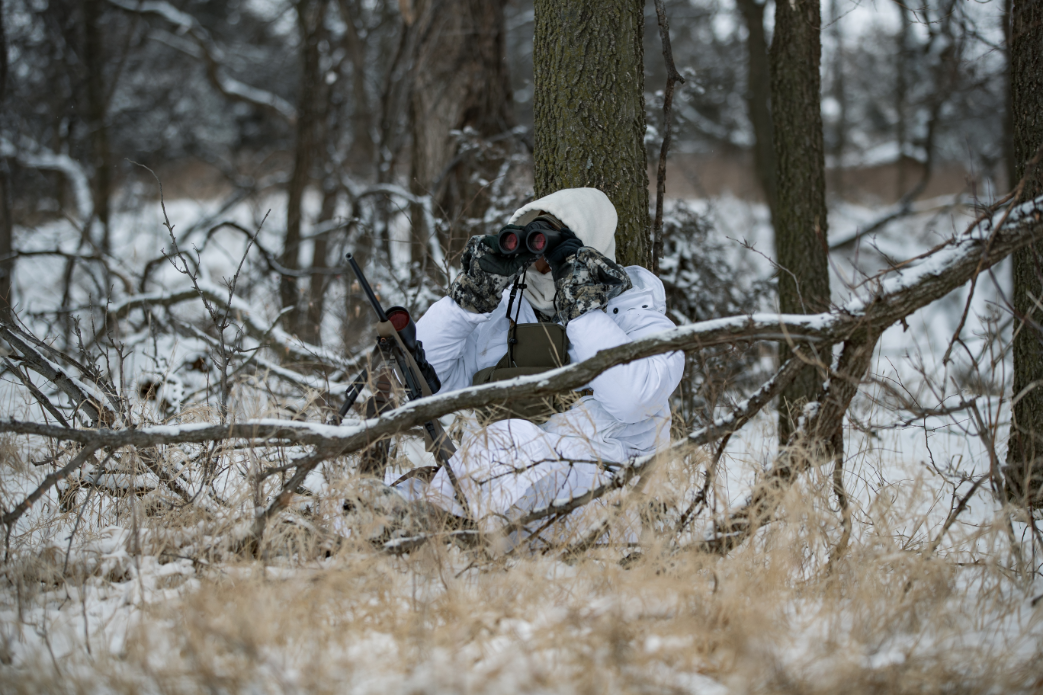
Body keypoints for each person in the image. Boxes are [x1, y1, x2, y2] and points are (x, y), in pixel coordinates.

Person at [395, 188, 684, 531]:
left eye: (553, 246)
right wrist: (467, 303)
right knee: (407, 489)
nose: (540, 259)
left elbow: (632, 399)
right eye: (532, 243)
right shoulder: (507, 314)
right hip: (511, 500)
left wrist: (581, 308)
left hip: (606, 499)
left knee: (509, 438)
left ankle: (438, 528)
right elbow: (425, 383)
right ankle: (391, 528)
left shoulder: (637, 314)